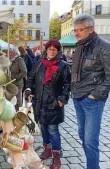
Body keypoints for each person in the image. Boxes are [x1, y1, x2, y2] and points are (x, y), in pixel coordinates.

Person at [71, 14, 110, 169]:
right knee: (82, 135)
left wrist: (95, 95)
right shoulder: (80, 46)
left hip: (92, 100)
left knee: (90, 140)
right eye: (75, 30)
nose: (77, 33)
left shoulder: (104, 47)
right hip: (78, 97)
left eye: (80, 30)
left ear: (91, 29)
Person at [25, 40, 71, 169]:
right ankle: (47, 149)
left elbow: (68, 84)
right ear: (46, 50)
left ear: (58, 51)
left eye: (54, 49)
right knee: (44, 127)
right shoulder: (39, 63)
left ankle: (56, 157)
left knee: (53, 130)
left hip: (54, 104)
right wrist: (28, 89)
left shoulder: (63, 66)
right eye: (49, 49)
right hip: (39, 102)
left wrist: (62, 99)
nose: (51, 51)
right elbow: (30, 78)